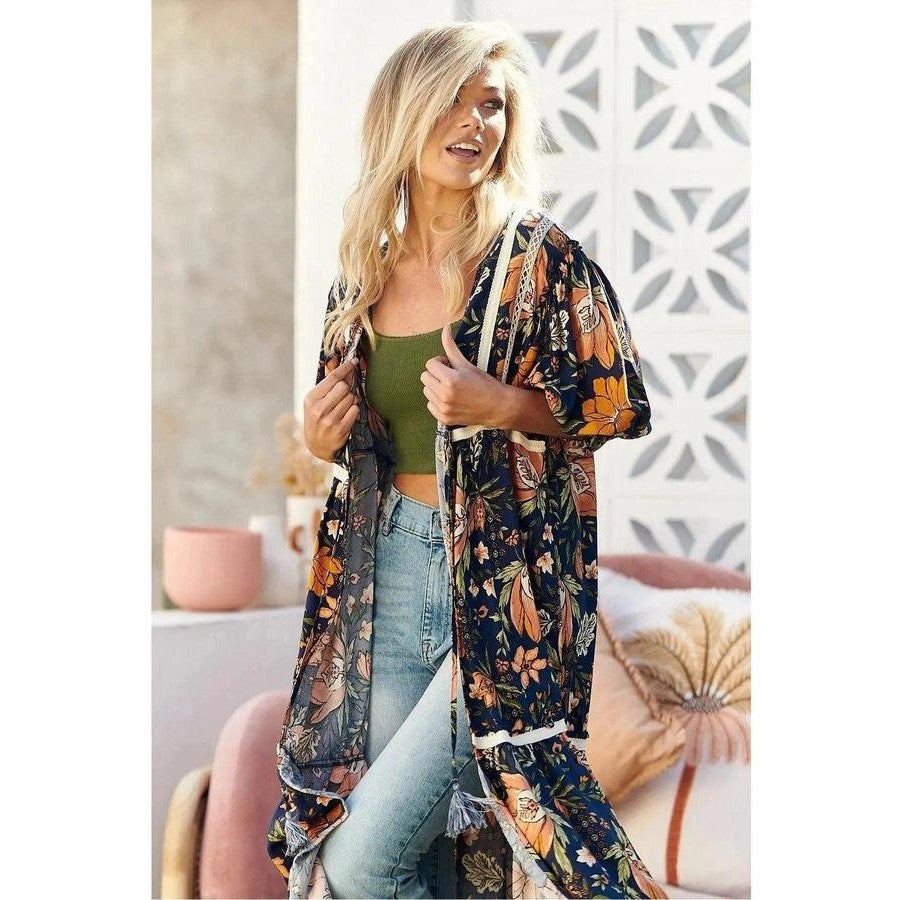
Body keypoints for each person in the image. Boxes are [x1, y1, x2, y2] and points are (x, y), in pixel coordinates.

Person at [268, 21, 665, 900]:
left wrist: (505, 407)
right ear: (404, 113)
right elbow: (355, 441)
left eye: (492, 105)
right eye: (453, 99)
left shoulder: (540, 261)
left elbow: (621, 403)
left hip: (502, 581)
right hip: (385, 573)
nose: (475, 121)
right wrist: (323, 441)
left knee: (362, 863)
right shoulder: (360, 277)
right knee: (432, 862)